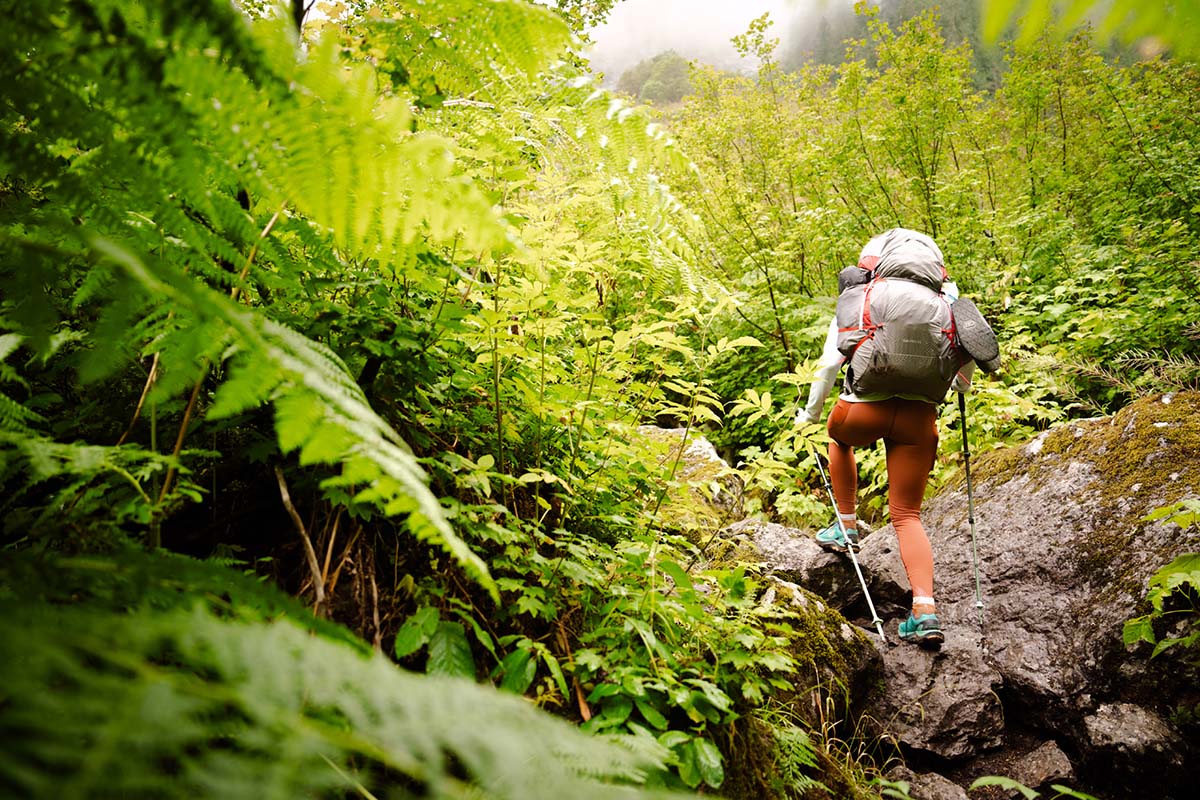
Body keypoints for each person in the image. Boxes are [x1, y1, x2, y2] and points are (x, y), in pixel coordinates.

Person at [796, 229, 976, 646]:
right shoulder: (947, 306)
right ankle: (925, 612)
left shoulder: (863, 297)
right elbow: (963, 380)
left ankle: (845, 524)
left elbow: (829, 365)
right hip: (918, 421)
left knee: (838, 439)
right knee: (907, 515)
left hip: (862, 411)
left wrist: (810, 413)